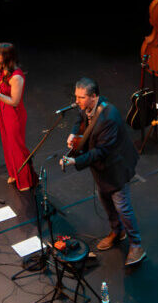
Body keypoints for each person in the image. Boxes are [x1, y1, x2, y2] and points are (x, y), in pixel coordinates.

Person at [59, 78, 145, 266]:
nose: (77, 101)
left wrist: (75, 160)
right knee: (105, 199)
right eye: (76, 96)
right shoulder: (87, 106)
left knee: (122, 206)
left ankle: (136, 245)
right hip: (102, 168)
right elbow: (79, 119)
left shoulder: (109, 117)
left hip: (116, 167)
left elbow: (101, 151)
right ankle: (117, 231)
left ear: (94, 96)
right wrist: (73, 133)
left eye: (81, 97)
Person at [0, 43, 35, 191]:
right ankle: (14, 174)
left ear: (5, 56)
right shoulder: (4, 70)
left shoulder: (17, 77)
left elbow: (14, 101)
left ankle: (25, 181)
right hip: (3, 111)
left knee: (16, 147)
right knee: (7, 144)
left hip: (14, 115)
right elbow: (0, 82)